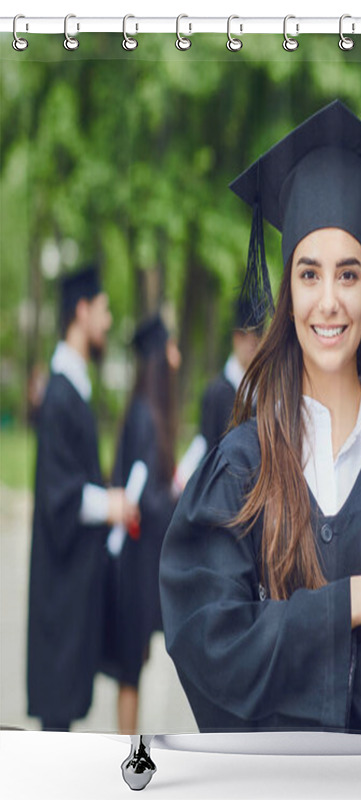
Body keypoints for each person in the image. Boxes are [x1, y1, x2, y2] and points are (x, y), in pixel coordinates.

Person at [160, 100, 361, 735]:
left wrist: (279, 646)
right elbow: (209, 653)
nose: (328, 301)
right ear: (288, 292)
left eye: (348, 274)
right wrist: (356, 605)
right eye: (309, 274)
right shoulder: (240, 468)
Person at [26, 264, 139, 732]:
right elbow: (58, 493)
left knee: (67, 709)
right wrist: (109, 504)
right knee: (57, 718)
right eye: (104, 310)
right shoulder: (60, 394)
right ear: (82, 310)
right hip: (60, 584)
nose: (109, 321)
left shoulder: (73, 387)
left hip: (75, 579)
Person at [101, 314, 181, 734]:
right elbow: (148, 500)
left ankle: (130, 748)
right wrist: (178, 497)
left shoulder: (142, 411)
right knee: (133, 663)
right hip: (137, 559)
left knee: (135, 664)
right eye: (170, 347)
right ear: (156, 358)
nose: (177, 356)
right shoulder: (148, 417)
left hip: (138, 555)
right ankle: (127, 754)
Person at [200, 297, 264, 451]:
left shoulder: (267, 392)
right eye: (248, 339)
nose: (253, 346)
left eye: (257, 340)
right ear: (236, 338)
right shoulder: (216, 394)